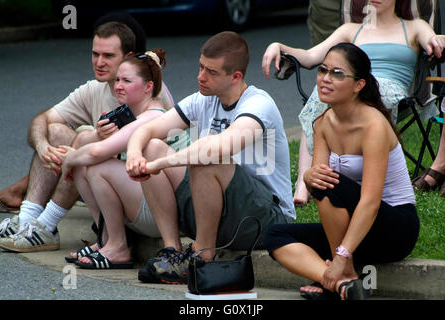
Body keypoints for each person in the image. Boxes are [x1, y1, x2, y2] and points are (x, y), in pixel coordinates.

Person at [125, 31, 295, 284]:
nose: (200, 77)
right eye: (201, 67)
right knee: (152, 146)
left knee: (207, 158)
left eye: (211, 72)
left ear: (235, 77)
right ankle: (172, 252)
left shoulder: (259, 104)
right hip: (218, 211)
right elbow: (147, 129)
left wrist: (158, 165)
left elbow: (217, 148)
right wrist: (135, 156)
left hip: (265, 220)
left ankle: (201, 256)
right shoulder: (203, 99)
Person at [0, 21, 174, 252]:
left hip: (146, 193)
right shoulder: (94, 89)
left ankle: (48, 226)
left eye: (108, 56)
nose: (99, 63)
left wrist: (80, 150)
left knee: (87, 149)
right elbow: (42, 121)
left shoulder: (150, 98)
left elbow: (106, 152)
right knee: (56, 132)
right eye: (95, 54)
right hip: (115, 181)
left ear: (129, 58)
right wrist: (43, 147)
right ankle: (28, 220)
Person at [264, 42, 420, 300]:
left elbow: (369, 202)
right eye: (323, 70)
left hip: (394, 229)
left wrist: (341, 256)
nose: (325, 79)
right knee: (276, 234)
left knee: (328, 182)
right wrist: (306, 176)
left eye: (337, 73)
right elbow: (318, 182)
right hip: (351, 233)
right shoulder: (323, 123)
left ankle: (340, 272)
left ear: (359, 85)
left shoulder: (374, 126)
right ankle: (342, 285)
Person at [262, 0, 445, 206]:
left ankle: (316, 178)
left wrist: (439, 39)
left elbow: (434, 40)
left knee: (338, 88)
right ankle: (304, 183)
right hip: (349, 87)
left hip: (390, 93)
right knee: (325, 88)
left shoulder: (414, 26)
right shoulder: (351, 30)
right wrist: (277, 45)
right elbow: (311, 56)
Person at [57, 51, 187, 268]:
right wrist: (95, 137)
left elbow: (97, 153)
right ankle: (106, 239)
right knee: (85, 165)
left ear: (148, 87)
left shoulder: (154, 115)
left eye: (127, 80)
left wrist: (69, 160)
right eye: (117, 79)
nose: (118, 85)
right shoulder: (130, 115)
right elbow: (85, 144)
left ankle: (118, 247)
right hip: (143, 203)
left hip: (164, 212)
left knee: (97, 167)